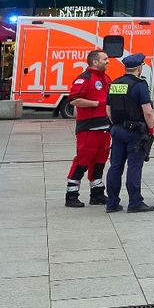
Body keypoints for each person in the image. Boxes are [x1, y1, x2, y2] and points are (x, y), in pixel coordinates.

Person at [103, 53, 154, 213]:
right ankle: (135, 202)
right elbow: (147, 111)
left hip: (117, 130)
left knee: (115, 167)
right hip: (135, 132)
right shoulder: (140, 85)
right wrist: (151, 129)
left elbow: (108, 109)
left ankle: (112, 203)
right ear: (139, 68)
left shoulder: (116, 83)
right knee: (134, 166)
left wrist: (116, 125)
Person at [64, 50, 112, 208]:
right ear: (95, 62)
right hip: (88, 127)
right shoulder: (83, 79)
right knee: (83, 160)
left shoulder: (106, 78)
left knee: (100, 160)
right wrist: (96, 104)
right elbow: (74, 100)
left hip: (105, 127)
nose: (108, 61)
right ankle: (71, 195)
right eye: (105, 59)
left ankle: (97, 194)